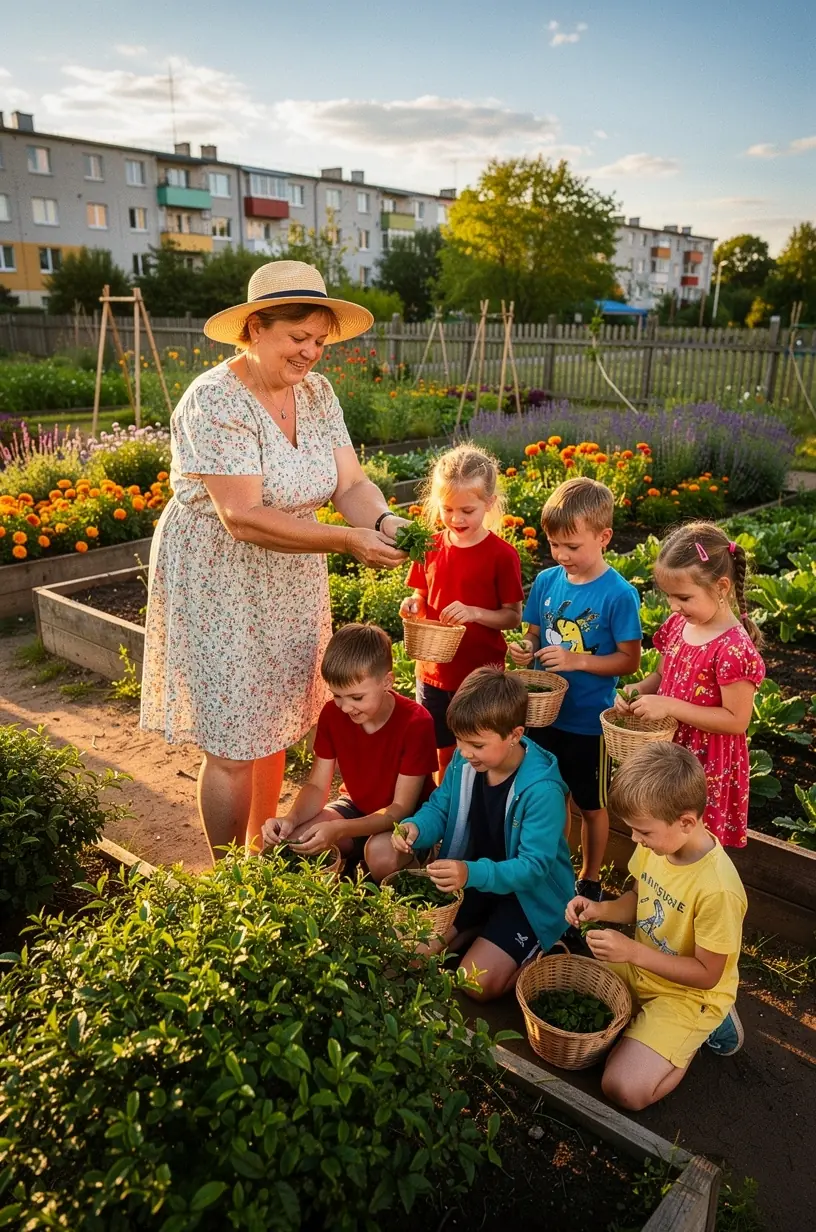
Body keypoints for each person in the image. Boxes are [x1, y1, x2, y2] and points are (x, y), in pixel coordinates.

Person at [140, 261, 410, 862]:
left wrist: (383, 521)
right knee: (234, 740)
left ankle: (260, 855)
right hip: (219, 576)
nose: (312, 352)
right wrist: (346, 542)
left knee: (276, 721)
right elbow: (242, 515)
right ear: (255, 328)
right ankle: (230, 877)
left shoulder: (317, 393)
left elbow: (351, 483)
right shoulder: (213, 400)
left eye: (319, 340)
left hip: (290, 573)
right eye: (299, 338)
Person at [567, 742, 748, 1111]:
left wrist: (633, 951)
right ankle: (651, 1032)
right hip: (642, 966)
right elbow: (639, 900)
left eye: (642, 831)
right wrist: (600, 909)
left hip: (689, 994)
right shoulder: (658, 846)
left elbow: (707, 974)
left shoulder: (718, 890)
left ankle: (697, 1036)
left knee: (623, 1089)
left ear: (686, 822)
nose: (635, 839)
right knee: (572, 989)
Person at [391, 667, 575, 1001]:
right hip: (475, 881)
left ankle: (543, 948)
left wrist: (469, 872)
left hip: (528, 897)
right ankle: (479, 928)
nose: (464, 751)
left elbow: (534, 867)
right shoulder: (466, 763)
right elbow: (440, 808)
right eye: (459, 740)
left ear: (515, 734)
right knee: (413, 953)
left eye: (476, 744)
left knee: (473, 983)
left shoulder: (542, 789)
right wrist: (417, 827)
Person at [509, 477, 642, 900]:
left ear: (603, 538)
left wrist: (577, 660)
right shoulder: (549, 582)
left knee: (590, 803)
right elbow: (534, 632)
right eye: (554, 545)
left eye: (572, 546)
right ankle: (551, 862)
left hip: (587, 721)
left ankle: (591, 876)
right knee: (549, 794)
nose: (562, 555)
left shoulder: (618, 594)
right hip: (543, 715)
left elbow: (630, 660)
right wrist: (525, 649)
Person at [615, 521, 765, 848]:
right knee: (661, 834)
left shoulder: (733, 650)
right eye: (669, 596)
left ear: (722, 587)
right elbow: (661, 677)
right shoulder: (677, 625)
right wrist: (637, 689)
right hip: (670, 753)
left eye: (683, 597)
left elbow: (736, 720)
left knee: (692, 840)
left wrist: (670, 706)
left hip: (704, 766)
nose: (673, 606)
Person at [261, 624, 437, 873]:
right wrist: (290, 820)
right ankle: (353, 866)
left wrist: (340, 829)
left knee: (380, 854)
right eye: (337, 695)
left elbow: (400, 809)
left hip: (408, 821)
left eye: (356, 697)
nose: (345, 707)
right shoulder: (333, 715)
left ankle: (414, 863)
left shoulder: (416, 722)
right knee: (300, 839)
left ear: (387, 681)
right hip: (355, 806)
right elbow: (317, 786)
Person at [399, 443, 524, 778]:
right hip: (434, 673)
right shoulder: (430, 546)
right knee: (442, 754)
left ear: (489, 504)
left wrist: (475, 613)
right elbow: (421, 594)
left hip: (479, 676)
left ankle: (475, 816)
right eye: (447, 508)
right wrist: (413, 605)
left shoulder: (501, 555)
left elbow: (512, 615)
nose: (456, 518)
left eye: (467, 510)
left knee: (478, 756)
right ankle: (447, 814)